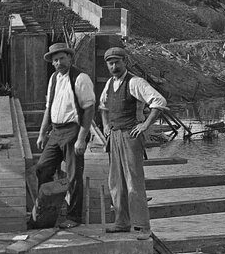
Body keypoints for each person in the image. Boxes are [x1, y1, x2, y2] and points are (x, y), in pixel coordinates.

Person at [99, 46, 167, 235]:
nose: (113, 66)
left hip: (130, 135)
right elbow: (103, 106)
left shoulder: (135, 82)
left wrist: (145, 125)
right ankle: (121, 222)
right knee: (116, 182)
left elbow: (159, 101)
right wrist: (105, 126)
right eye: (110, 63)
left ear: (124, 62)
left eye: (117, 62)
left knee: (133, 181)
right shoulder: (109, 84)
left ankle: (140, 225)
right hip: (113, 136)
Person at [35, 41, 96, 227]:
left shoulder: (80, 78)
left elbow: (89, 109)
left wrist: (81, 138)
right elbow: (48, 107)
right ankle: (46, 210)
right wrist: (42, 133)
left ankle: (73, 217)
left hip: (73, 130)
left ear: (70, 58)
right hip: (56, 131)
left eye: (62, 58)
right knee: (42, 168)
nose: (58, 63)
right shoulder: (54, 78)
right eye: (55, 60)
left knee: (73, 175)